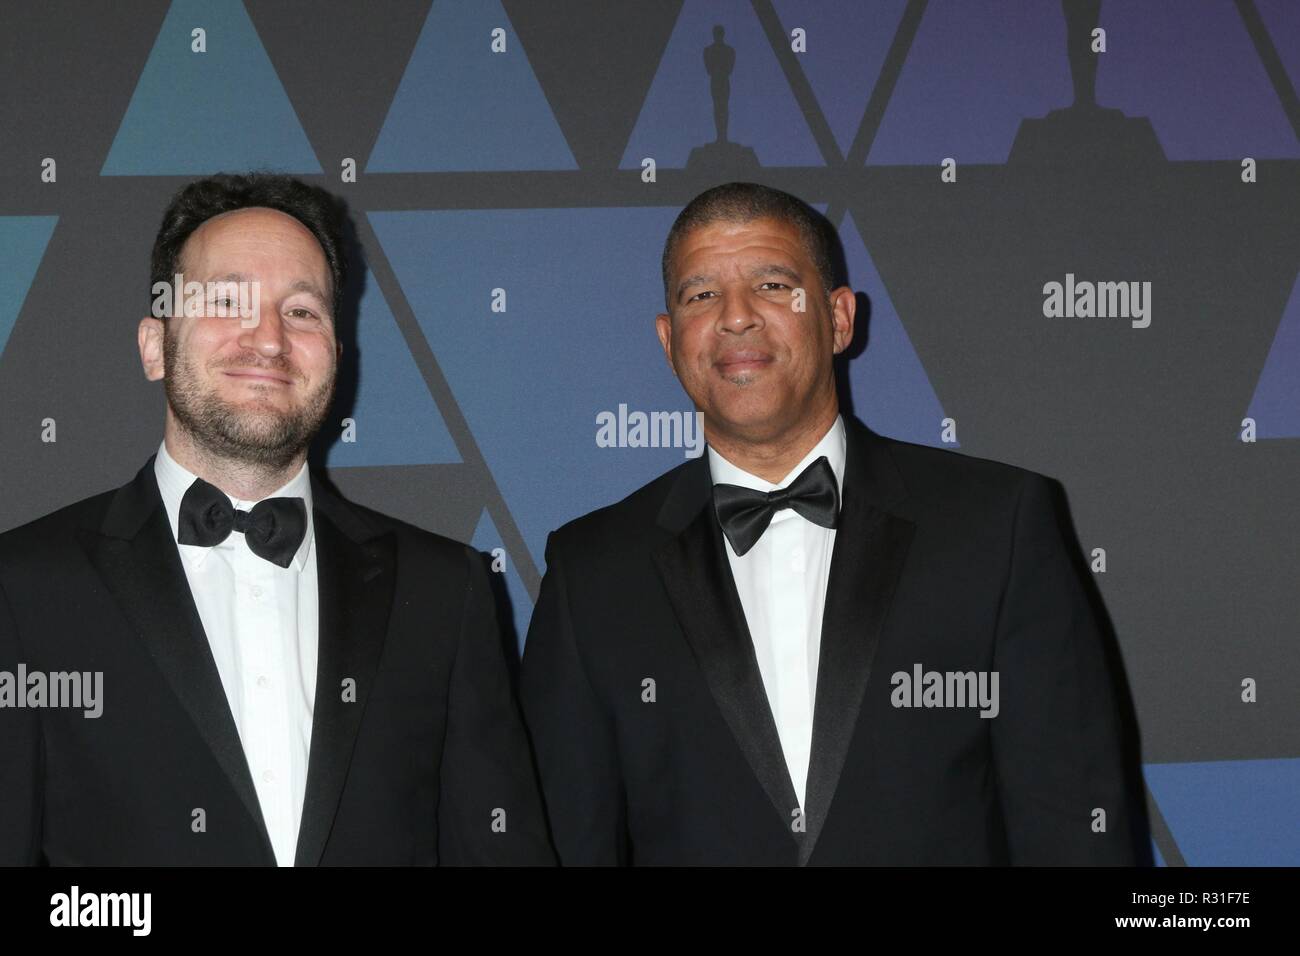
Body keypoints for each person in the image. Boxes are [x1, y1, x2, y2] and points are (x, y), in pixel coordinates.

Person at [519, 181, 1143, 865]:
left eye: (772, 284)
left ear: (840, 318)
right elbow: (567, 845)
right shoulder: (593, 570)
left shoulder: (998, 526)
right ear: (669, 340)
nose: (735, 318)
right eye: (701, 295)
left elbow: (1076, 830)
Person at [0, 173, 553, 866]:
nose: (267, 339)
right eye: (227, 301)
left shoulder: (447, 591)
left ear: (336, 357)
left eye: (302, 311)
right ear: (154, 344)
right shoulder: (23, 590)